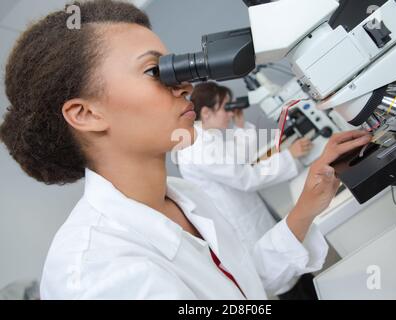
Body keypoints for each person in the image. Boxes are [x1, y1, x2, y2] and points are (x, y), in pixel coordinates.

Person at [0, 0, 371, 299]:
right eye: (153, 71)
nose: (184, 85)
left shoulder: (184, 197)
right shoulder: (96, 274)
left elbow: (245, 286)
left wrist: (309, 201)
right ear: (85, 113)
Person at [177, 82, 313, 253]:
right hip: (242, 226)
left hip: (248, 212)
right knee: (277, 265)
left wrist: (241, 126)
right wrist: (289, 157)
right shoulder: (198, 147)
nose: (230, 113)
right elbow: (246, 178)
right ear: (206, 112)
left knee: (283, 258)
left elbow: (237, 158)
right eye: (226, 107)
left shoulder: (208, 138)